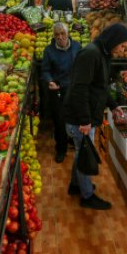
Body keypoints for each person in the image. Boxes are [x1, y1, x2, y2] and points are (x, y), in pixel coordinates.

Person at [63, 23, 127, 210]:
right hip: (79, 118)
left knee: (82, 152)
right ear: (114, 40)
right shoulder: (91, 54)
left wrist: (113, 105)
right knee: (85, 155)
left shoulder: (103, 53)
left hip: (85, 114)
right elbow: (79, 89)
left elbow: (99, 87)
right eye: (123, 45)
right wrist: (84, 120)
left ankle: (75, 185)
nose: (123, 49)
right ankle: (87, 196)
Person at [41, 22, 80, 163]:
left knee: (74, 117)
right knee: (59, 120)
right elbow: (45, 70)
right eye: (57, 34)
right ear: (53, 36)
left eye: (63, 33)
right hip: (57, 89)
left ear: (68, 33)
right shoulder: (49, 51)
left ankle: (73, 141)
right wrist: (49, 81)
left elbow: (82, 65)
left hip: (73, 89)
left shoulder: (77, 46)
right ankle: (61, 149)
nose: (60, 37)